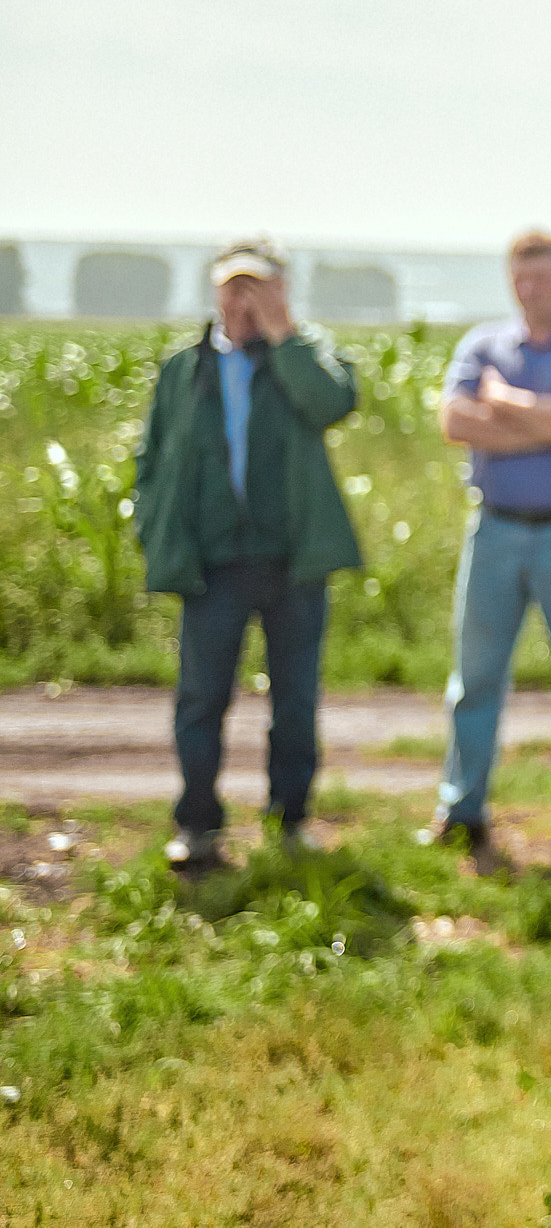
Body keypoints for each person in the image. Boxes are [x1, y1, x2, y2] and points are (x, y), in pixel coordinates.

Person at [133, 239, 362, 874]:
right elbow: (151, 457)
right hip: (212, 564)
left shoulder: (304, 355)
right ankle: (198, 825)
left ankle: (290, 821)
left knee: (295, 701)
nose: (243, 300)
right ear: (214, 291)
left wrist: (283, 334)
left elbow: (331, 403)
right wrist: (153, 526)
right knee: (201, 699)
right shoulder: (185, 368)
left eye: (257, 286)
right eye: (234, 286)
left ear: (281, 292)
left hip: (292, 562)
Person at [432, 230, 551, 867]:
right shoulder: (482, 345)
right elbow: (456, 422)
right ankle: (462, 810)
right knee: (475, 676)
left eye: (541, 277)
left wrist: (508, 405)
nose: (531, 289)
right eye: (520, 277)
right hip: (496, 530)